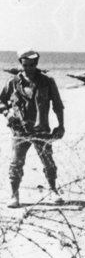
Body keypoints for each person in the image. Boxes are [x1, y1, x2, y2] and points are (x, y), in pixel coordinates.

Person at [2, 49, 65, 207]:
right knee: (16, 164)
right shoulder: (12, 82)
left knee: (48, 162)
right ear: (21, 64)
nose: (28, 68)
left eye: (31, 65)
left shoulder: (47, 81)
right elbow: (1, 101)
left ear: (36, 64)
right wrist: (8, 115)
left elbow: (57, 105)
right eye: (25, 65)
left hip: (41, 130)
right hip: (19, 131)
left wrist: (61, 125)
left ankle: (53, 190)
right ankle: (14, 195)